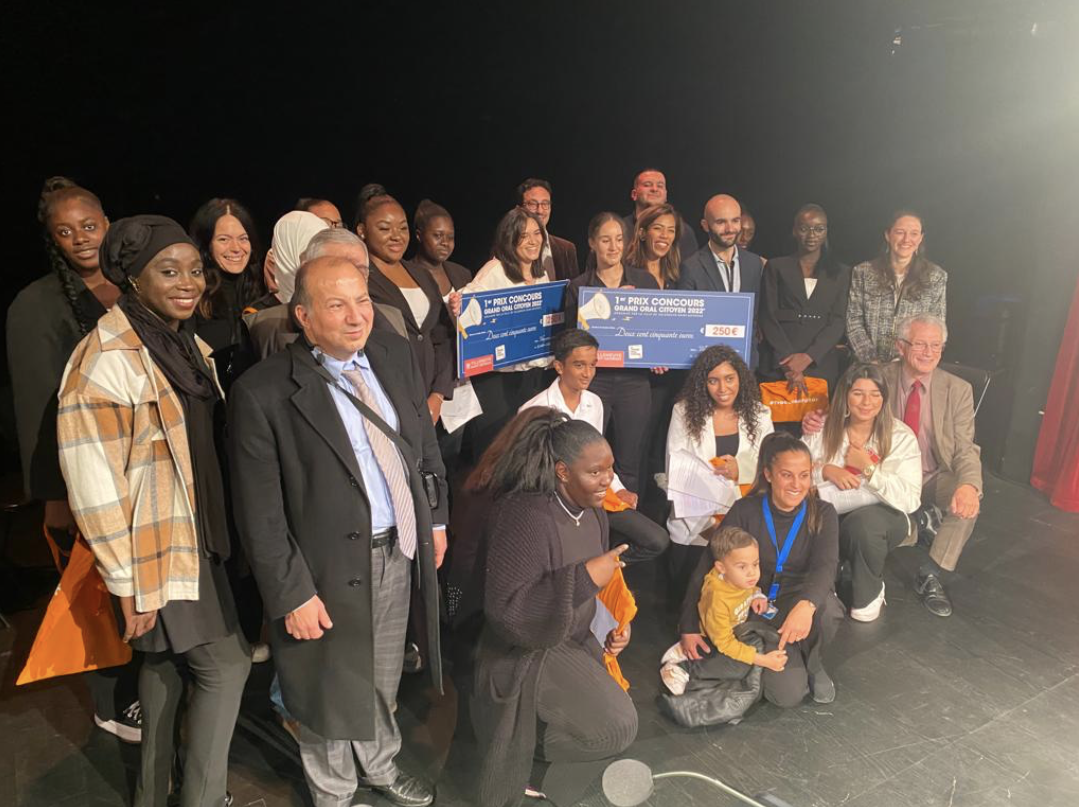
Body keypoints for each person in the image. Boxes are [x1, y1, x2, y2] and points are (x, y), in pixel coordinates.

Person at [229, 255, 448, 807]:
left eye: (363, 300)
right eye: (337, 304)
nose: (357, 317)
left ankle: (378, 765)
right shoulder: (264, 392)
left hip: (396, 547)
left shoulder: (393, 354)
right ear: (302, 315)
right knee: (323, 686)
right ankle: (334, 792)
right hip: (320, 568)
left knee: (380, 675)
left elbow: (421, 443)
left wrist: (434, 519)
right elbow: (260, 511)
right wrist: (290, 592)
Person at [58, 216, 251, 806]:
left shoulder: (184, 346)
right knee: (227, 667)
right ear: (132, 279)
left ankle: (150, 797)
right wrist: (125, 579)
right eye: (168, 272)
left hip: (196, 539)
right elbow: (93, 482)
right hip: (157, 551)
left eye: (194, 270)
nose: (188, 282)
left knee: (165, 669)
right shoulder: (105, 359)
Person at [7, 177, 140, 742]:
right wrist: (55, 496)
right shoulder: (36, 305)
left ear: (108, 223)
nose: (81, 239)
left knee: (136, 586)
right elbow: (36, 408)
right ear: (52, 240)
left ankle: (142, 681)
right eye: (66, 231)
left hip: (141, 465)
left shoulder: (130, 285)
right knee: (99, 589)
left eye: (89, 226)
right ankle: (112, 701)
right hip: (86, 473)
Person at [471, 411, 637, 807]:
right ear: (562, 472)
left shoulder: (594, 512)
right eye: (595, 472)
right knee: (616, 728)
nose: (607, 481)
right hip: (526, 651)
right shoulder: (524, 516)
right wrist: (583, 577)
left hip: (571, 639)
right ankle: (530, 762)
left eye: (610, 468)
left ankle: (541, 760)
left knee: (618, 724)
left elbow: (591, 594)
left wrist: (609, 626)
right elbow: (508, 612)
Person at [804, 314, 981, 617]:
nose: (928, 353)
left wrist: (970, 485)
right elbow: (845, 404)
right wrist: (816, 417)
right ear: (900, 346)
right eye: (920, 344)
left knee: (969, 497)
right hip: (881, 475)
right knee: (860, 516)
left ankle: (931, 572)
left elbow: (966, 447)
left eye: (936, 346)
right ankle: (908, 530)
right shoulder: (879, 376)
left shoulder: (958, 389)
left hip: (934, 473)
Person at [678, 432, 845, 707]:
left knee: (829, 608)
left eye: (804, 475)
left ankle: (813, 663)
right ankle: (765, 655)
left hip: (795, 600)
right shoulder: (745, 509)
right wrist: (688, 625)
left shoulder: (823, 513)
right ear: (768, 474)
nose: (797, 484)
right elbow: (708, 566)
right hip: (751, 603)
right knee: (787, 696)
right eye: (787, 475)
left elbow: (826, 566)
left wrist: (806, 605)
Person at [520, 329, 669, 563]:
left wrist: (618, 488)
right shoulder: (534, 410)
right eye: (579, 365)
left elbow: (599, 458)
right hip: (556, 504)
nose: (588, 373)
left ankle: (606, 566)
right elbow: (530, 473)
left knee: (656, 540)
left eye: (593, 365)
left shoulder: (594, 402)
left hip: (597, 497)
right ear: (559, 367)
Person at [801, 363, 922, 622]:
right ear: (845, 395)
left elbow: (910, 499)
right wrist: (826, 471)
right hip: (830, 512)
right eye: (858, 393)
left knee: (863, 526)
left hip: (881, 518)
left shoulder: (900, 436)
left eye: (875, 394)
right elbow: (792, 472)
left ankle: (869, 591)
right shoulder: (822, 428)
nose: (866, 402)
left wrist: (868, 469)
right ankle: (826, 582)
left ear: (884, 398)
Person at [665, 345, 774, 591]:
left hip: (743, 520)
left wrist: (742, 469)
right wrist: (710, 523)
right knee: (688, 599)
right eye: (713, 381)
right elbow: (675, 470)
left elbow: (770, 464)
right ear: (703, 383)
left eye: (729, 379)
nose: (723, 389)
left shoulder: (760, 414)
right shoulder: (683, 413)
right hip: (696, 523)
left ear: (741, 379)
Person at [566, 212, 658, 493]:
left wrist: (659, 357)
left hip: (634, 382)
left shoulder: (644, 282)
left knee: (630, 461)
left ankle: (627, 529)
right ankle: (595, 527)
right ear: (592, 243)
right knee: (590, 459)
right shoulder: (579, 286)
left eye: (619, 240)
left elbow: (658, 332)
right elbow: (570, 340)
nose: (613, 247)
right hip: (596, 382)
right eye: (606, 240)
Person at [354, 184, 455, 424]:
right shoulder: (359, 279)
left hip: (432, 402)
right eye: (384, 228)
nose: (396, 236)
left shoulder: (421, 275)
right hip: (388, 402)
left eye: (402, 228)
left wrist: (438, 395)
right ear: (362, 231)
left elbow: (442, 336)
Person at [461, 207, 553, 456]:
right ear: (509, 238)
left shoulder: (540, 273)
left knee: (526, 445)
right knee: (496, 446)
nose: (533, 241)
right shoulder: (495, 270)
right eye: (524, 235)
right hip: (497, 378)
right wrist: (456, 306)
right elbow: (466, 310)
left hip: (531, 375)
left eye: (537, 233)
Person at [659, 526, 786, 696]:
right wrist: (763, 661)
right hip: (714, 641)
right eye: (742, 567)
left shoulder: (739, 580)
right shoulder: (717, 599)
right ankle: (682, 667)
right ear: (721, 568)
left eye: (755, 564)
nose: (752, 573)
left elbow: (751, 589)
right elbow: (725, 643)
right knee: (741, 667)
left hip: (731, 631)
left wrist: (758, 595)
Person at [245, 227, 408, 359]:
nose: (350, 276)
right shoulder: (264, 326)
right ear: (306, 269)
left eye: (359, 270)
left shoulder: (392, 317)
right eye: (336, 266)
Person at [759, 203, 852, 393]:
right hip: (779, 365)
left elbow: (838, 321)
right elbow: (767, 316)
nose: (812, 235)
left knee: (818, 423)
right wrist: (790, 364)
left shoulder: (841, 273)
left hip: (821, 364)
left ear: (826, 231)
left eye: (819, 229)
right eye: (804, 228)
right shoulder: (776, 267)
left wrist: (808, 357)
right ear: (794, 231)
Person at [847, 209, 947, 363]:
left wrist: (907, 361)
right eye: (900, 232)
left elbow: (935, 327)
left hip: (910, 365)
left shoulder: (935, 276)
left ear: (920, 238)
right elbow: (854, 322)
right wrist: (871, 360)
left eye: (914, 233)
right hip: (868, 367)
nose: (906, 239)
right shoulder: (863, 272)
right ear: (888, 235)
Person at [677, 194, 765, 366]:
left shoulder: (755, 263)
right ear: (705, 225)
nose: (730, 228)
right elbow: (686, 325)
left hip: (746, 364)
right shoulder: (691, 267)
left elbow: (755, 318)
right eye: (721, 222)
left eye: (735, 220)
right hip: (707, 365)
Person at [189, 198, 266, 366]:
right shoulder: (193, 299)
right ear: (206, 244)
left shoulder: (263, 291)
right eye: (224, 239)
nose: (236, 248)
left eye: (243, 238)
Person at [622, 168, 698, 261]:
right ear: (634, 194)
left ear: (666, 195)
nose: (654, 189)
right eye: (647, 185)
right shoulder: (620, 229)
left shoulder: (683, 230)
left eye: (660, 186)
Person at [517, 177, 580, 280]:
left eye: (545, 204)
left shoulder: (567, 249)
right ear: (518, 209)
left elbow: (574, 292)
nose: (540, 211)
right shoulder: (506, 248)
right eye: (532, 204)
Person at [624, 201, 684, 289]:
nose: (665, 235)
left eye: (671, 230)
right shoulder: (625, 274)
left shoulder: (678, 277)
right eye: (657, 228)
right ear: (642, 233)